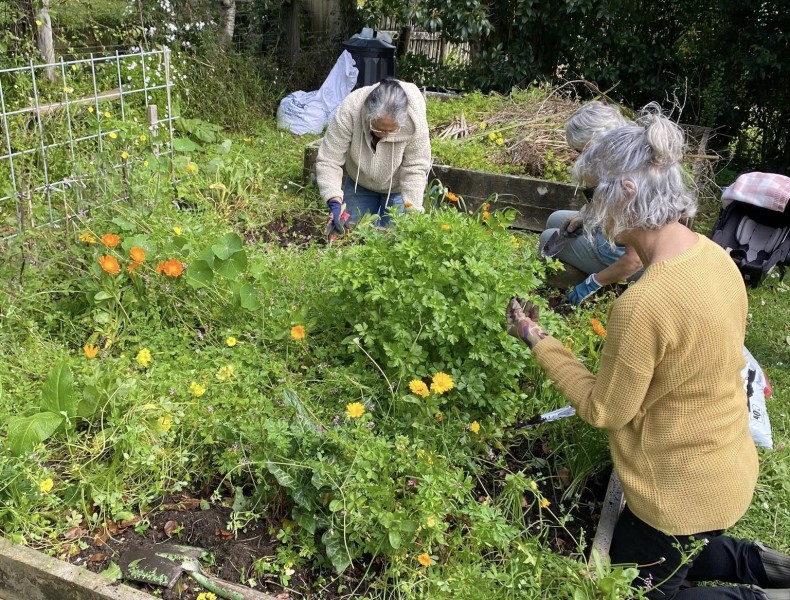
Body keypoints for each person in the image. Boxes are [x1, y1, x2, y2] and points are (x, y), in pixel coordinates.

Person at [506, 104, 790, 600]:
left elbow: (604, 410)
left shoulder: (643, 305)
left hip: (675, 490)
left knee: (640, 592)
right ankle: (760, 564)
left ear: (626, 193)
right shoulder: (715, 259)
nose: (591, 209)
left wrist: (538, 338)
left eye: (594, 194)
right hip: (727, 466)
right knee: (659, 550)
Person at [538, 101, 643, 305]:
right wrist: (587, 216)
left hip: (631, 263)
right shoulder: (625, 157)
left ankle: (584, 276)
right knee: (555, 219)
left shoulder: (630, 185)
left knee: (547, 239)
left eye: (580, 151)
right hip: (614, 239)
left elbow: (635, 260)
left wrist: (591, 284)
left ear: (597, 145)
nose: (578, 157)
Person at [316, 77, 432, 235]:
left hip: (397, 188)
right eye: (378, 129)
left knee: (394, 242)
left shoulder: (414, 121)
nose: (384, 135)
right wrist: (334, 202)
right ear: (368, 116)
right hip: (359, 182)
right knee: (351, 236)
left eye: (390, 131)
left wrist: (413, 212)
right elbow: (329, 160)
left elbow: (415, 167)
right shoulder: (351, 109)